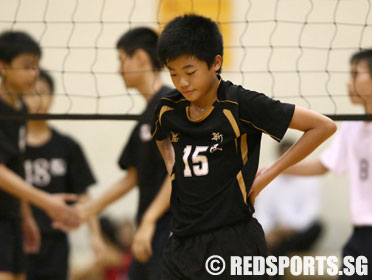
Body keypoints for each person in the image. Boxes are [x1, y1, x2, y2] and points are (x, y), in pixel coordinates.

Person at [149, 14, 336, 279]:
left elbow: (323, 126)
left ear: (215, 63)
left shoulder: (240, 104)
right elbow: (161, 136)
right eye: (173, 73)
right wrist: (173, 168)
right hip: (181, 243)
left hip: (234, 241)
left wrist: (269, 174)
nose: (182, 83)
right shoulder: (168, 108)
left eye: (190, 72)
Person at [0, 31, 80, 280]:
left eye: (35, 66)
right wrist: (46, 202)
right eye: (26, 66)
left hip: (11, 216)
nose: (33, 73)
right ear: (2, 67)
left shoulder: (21, 109)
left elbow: (16, 167)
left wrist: (26, 217)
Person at [65, 27, 173, 280]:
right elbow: (132, 177)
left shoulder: (170, 105)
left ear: (141, 58)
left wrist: (148, 220)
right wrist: (86, 211)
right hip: (150, 230)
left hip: (170, 229)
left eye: (121, 60)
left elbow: (178, 172)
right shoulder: (148, 114)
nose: (118, 69)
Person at [283, 48, 372, 279]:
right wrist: (270, 170)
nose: (348, 83)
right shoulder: (352, 126)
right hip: (362, 235)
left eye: (355, 74)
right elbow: (323, 165)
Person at [22, 70, 105, 280]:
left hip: (55, 244)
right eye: (32, 93)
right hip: (19, 239)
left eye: (43, 93)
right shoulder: (11, 148)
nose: (38, 100)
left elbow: (84, 194)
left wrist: (95, 236)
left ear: (52, 96)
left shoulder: (67, 146)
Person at [254, 140, 323, 279]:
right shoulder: (268, 180)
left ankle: (279, 249)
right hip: (274, 232)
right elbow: (262, 212)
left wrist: (288, 228)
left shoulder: (310, 179)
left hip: (297, 232)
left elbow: (311, 213)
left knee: (318, 227)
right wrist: (270, 232)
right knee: (257, 235)